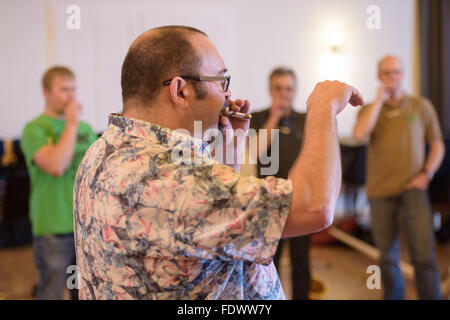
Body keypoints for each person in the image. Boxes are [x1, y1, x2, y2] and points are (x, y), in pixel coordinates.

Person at [73, 25, 363, 300]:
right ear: (181, 91)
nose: (227, 93)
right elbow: (314, 207)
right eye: (221, 80)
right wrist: (323, 109)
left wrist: (231, 150)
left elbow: (207, 227)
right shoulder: (175, 179)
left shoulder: (102, 150)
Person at [353, 55, 445, 300]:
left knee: (423, 256)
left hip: (413, 190)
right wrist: (378, 101)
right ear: (378, 77)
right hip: (379, 193)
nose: (391, 77)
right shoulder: (368, 109)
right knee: (387, 258)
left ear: (403, 74)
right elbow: (360, 134)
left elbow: (437, 144)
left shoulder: (421, 106)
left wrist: (427, 173)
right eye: (386, 73)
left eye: (396, 72)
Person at [20, 66, 98, 299]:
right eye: (63, 89)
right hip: (53, 228)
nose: (71, 95)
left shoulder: (85, 129)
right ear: (46, 92)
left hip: (84, 226)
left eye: (73, 89)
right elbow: (55, 166)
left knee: (84, 292)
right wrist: (71, 125)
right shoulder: (35, 129)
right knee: (51, 292)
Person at [250, 67, 310, 300]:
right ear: (269, 89)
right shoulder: (258, 118)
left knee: (301, 262)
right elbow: (254, 153)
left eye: (289, 88)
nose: (284, 94)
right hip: (268, 202)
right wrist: (274, 117)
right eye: (278, 88)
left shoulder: (305, 120)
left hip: (299, 200)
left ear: (295, 91)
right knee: (267, 262)